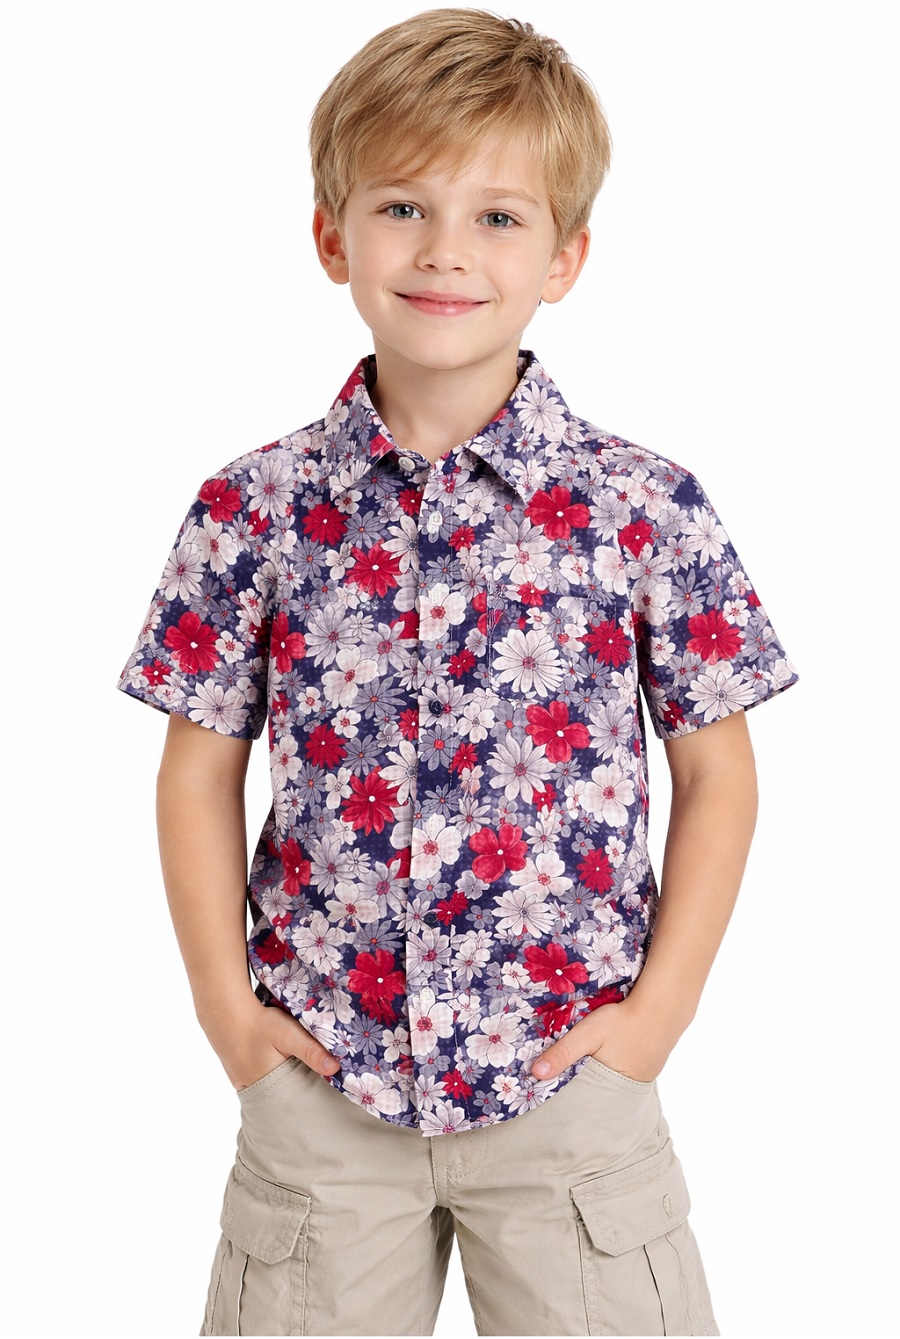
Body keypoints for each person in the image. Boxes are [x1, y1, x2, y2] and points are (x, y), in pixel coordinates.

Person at [118, 9, 798, 1335]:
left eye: (498, 217)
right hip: (321, 1085)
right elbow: (196, 770)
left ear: (565, 257)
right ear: (333, 238)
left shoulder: (644, 507)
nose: (444, 251)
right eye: (402, 208)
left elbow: (719, 774)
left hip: (571, 1085)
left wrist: (655, 1022)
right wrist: (228, 1017)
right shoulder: (251, 508)